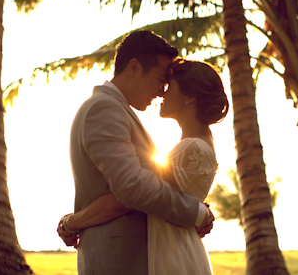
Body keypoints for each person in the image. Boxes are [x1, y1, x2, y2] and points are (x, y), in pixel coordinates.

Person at [58, 31, 217, 275]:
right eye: (159, 80)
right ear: (134, 68)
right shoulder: (104, 108)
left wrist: (73, 221)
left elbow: (141, 184)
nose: (162, 91)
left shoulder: (116, 109)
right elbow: (131, 186)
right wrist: (194, 212)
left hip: (139, 258)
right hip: (119, 259)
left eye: (167, 84)